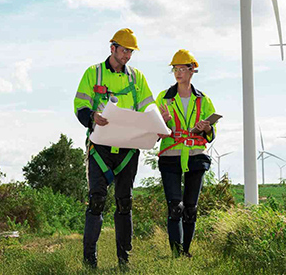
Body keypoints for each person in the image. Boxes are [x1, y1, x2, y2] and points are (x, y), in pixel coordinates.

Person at [73, 28, 156, 269]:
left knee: (125, 202)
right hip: (101, 147)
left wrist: (158, 122)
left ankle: (124, 261)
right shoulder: (93, 73)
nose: (128, 56)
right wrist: (92, 117)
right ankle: (90, 261)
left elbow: (149, 108)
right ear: (112, 48)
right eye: (124, 51)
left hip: (129, 148)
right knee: (97, 201)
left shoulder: (137, 78)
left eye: (131, 52)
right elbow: (80, 105)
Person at [155, 49, 217, 258]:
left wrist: (207, 128)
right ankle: (176, 253)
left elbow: (211, 133)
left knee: (190, 208)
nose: (178, 73)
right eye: (175, 69)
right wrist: (162, 121)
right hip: (171, 155)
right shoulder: (163, 98)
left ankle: (186, 252)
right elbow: (153, 130)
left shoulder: (204, 100)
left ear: (192, 71)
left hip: (196, 155)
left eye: (182, 68)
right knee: (175, 206)